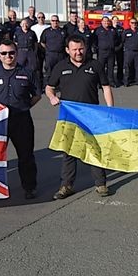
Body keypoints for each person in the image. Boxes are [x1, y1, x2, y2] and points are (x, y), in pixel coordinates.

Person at [45, 35, 117, 199]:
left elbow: (106, 87)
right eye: (74, 49)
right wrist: (52, 97)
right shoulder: (60, 66)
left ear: (85, 48)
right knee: (69, 151)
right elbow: (49, 87)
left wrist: (110, 109)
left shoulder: (95, 65)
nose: (78, 52)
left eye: (81, 49)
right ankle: (66, 186)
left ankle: (101, 184)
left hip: (92, 115)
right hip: (69, 116)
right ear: (67, 50)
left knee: (94, 148)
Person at [0, 41, 43, 199]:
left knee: (26, 156)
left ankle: (30, 187)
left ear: (16, 53)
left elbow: (37, 95)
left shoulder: (28, 72)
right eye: (4, 53)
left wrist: (25, 106)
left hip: (22, 120)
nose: (8, 56)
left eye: (11, 53)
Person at [93, 17, 120, 86]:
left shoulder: (113, 30)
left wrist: (116, 48)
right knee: (101, 68)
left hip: (111, 52)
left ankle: (111, 81)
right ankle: (100, 82)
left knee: (110, 68)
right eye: (104, 21)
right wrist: (96, 49)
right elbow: (94, 40)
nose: (106, 23)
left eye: (107, 21)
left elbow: (118, 40)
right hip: (101, 52)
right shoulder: (97, 30)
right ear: (101, 22)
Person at [121, 18, 138, 86]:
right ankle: (126, 81)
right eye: (132, 23)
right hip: (129, 52)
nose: (134, 24)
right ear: (129, 23)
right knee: (128, 67)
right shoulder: (126, 32)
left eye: (135, 23)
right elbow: (123, 41)